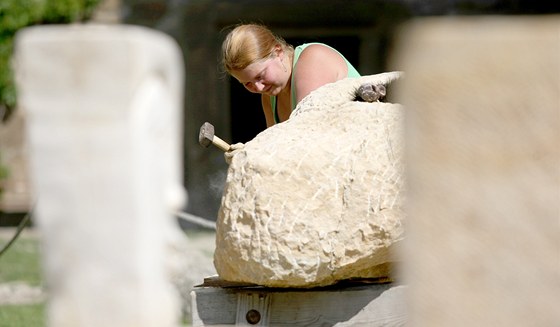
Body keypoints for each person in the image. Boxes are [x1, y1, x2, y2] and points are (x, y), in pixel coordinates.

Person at [221, 23, 361, 128]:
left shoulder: (314, 59)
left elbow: (308, 132)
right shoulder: (269, 97)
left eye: (260, 76)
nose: (258, 87)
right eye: (247, 83)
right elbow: (276, 147)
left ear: (278, 52)